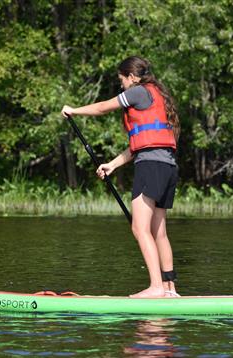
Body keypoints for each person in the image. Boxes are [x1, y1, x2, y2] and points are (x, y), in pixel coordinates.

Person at [61, 56, 180, 298]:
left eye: (122, 80)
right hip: (167, 167)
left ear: (132, 77)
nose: (121, 85)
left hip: (151, 168)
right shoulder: (156, 95)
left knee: (139, 228)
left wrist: (73, 110)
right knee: (159, 232)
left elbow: (103, 107)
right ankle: (170, 290)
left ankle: (156, 287)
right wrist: (112, 165)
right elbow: (141, 143)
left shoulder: (138, 92)